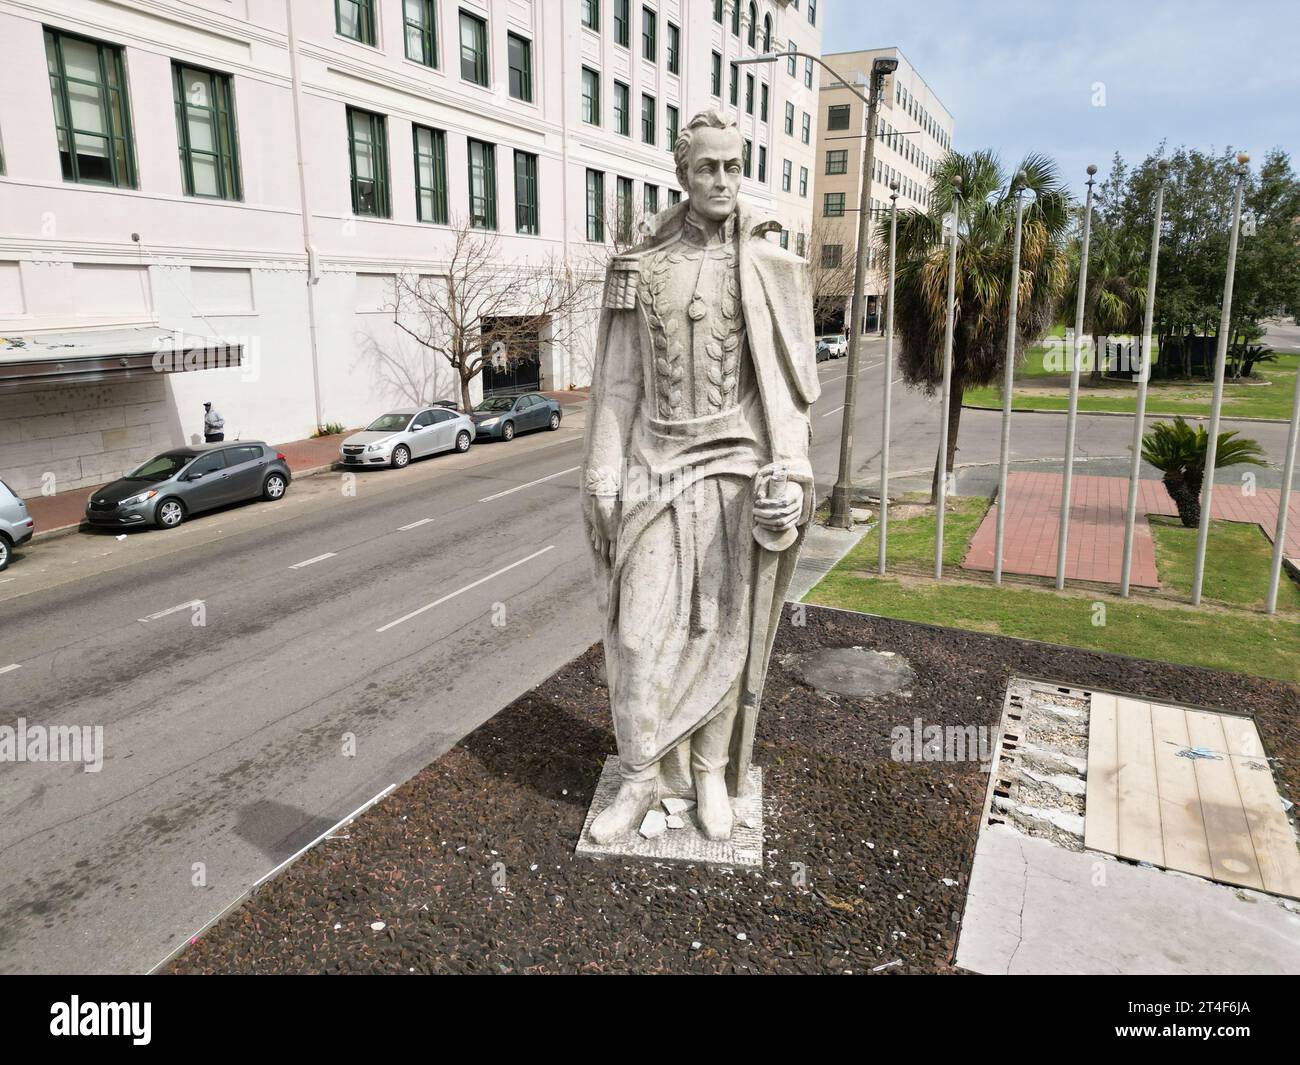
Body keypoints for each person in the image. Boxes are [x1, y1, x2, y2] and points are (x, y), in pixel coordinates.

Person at [581, 111, 817, 844]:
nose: (722, 180)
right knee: (635, 632)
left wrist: (791, 467)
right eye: (708, 167)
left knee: (726, 628)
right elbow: (619, 383)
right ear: (683, 174)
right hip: (654, 462)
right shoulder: (640, 268)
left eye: (733, 167)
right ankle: (639, 771)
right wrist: (602, 466)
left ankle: (711, 770)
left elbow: (787, 386)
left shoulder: (768, 265)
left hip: (737, 464)